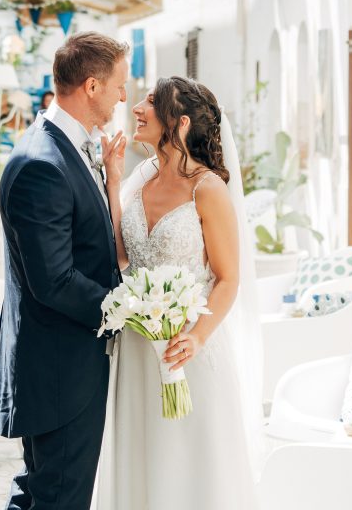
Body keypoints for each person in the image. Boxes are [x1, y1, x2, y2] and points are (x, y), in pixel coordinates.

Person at [97, 76, 262, 510]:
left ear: (180, 122)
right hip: (136, 347)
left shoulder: (208, 189)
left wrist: (196, 337)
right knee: (142, 457)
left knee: (188, 465)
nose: (136, 107)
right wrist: (114, 182)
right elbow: (119, 254)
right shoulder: (141, 175)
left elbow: (228, 278)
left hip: (187, 347)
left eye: (150, 102)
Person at [0, 32, 129, 510]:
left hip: (65, 364)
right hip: (58, 370)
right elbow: (55, 281)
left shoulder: (66, 146)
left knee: (41, 493)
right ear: (91, 86)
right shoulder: (42, 164)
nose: (123, 96)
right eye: (118, 85)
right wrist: (127, 309)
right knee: (59, 498)